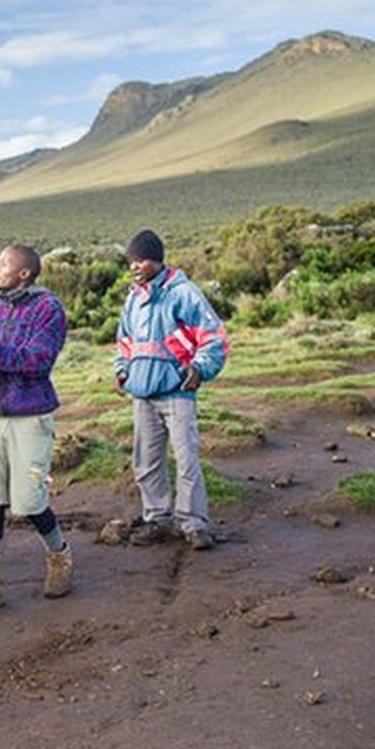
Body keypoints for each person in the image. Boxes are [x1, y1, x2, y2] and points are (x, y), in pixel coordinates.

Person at [0, 244, 72, 615]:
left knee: (28, 500)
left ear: (25, 273)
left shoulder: (47, 309)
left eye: (3, 264)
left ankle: (60, 555)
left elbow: (39, 360)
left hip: (30, 417)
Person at [114, 229, 230, 550]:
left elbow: (214, 337)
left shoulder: (184, 293)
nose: (136, 266)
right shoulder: (133, 299)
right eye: (132, 261)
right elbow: (124, 341)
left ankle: (193, 523)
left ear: (158, 260)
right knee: (146, 461)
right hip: (143, 394)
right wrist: (122, 370)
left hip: (177, 392)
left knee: (186, 459)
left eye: (143, 260)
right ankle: (156, 519)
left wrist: (200, 368)